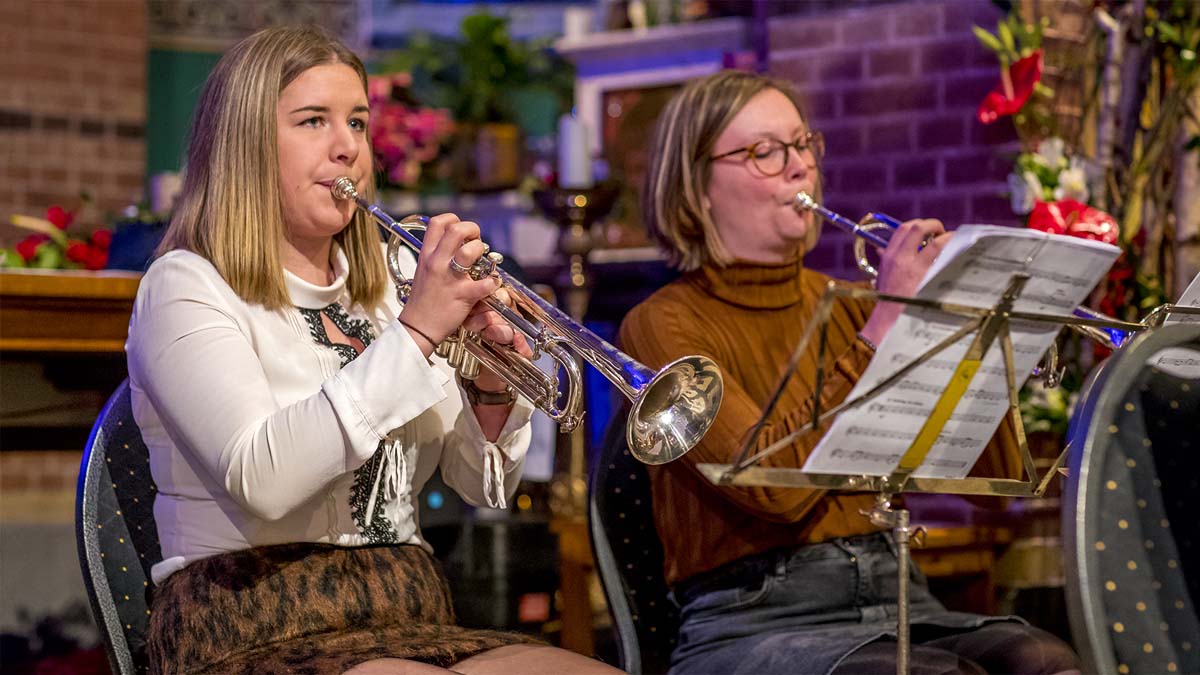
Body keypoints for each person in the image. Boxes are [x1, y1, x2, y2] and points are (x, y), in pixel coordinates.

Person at [127, 26, 620, 675]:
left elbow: (481, 485)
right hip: (249, 617)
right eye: (314, 121)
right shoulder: (185, 286)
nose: (348, 147)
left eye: (357, 122)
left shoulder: (393, 283)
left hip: (410, 606)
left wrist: (494, 384)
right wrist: (414, 337)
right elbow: (262, 480)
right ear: (245, 144)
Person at [617, 70, 1081, 674]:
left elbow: (988, 483)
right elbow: (772, 491)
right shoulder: (661, 324)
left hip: (897, 593)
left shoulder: (853, 306)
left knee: (1044, 660)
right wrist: (884, 326)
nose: (800, 167)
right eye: (765, 152)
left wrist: (975, 332)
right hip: (751, 618)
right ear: (696, 187)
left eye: (803, 143)